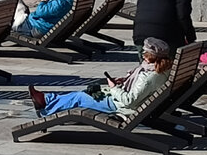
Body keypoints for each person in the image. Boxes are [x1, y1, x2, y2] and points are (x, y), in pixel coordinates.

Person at [28, 38, 172, 119]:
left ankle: (45, 109)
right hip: (127, 103)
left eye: (145, 53)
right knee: (86, 92)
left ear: (151, 56)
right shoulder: (161, 70)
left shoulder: (147, 76)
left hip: (121, 107)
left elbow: (129, 100)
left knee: (79, 97)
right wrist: (123, 81)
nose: (143, 56)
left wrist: (113, 87)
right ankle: (47, 99)